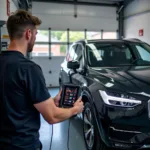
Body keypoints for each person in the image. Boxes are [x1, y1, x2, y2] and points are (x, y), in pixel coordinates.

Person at [0, 10, 84, 150]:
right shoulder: (29, 69)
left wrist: (50, 102)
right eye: (36, 33)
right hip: (23, 145)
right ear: (28, 34)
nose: (35, 38)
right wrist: (75, 109)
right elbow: (52, 117)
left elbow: (16, 102)